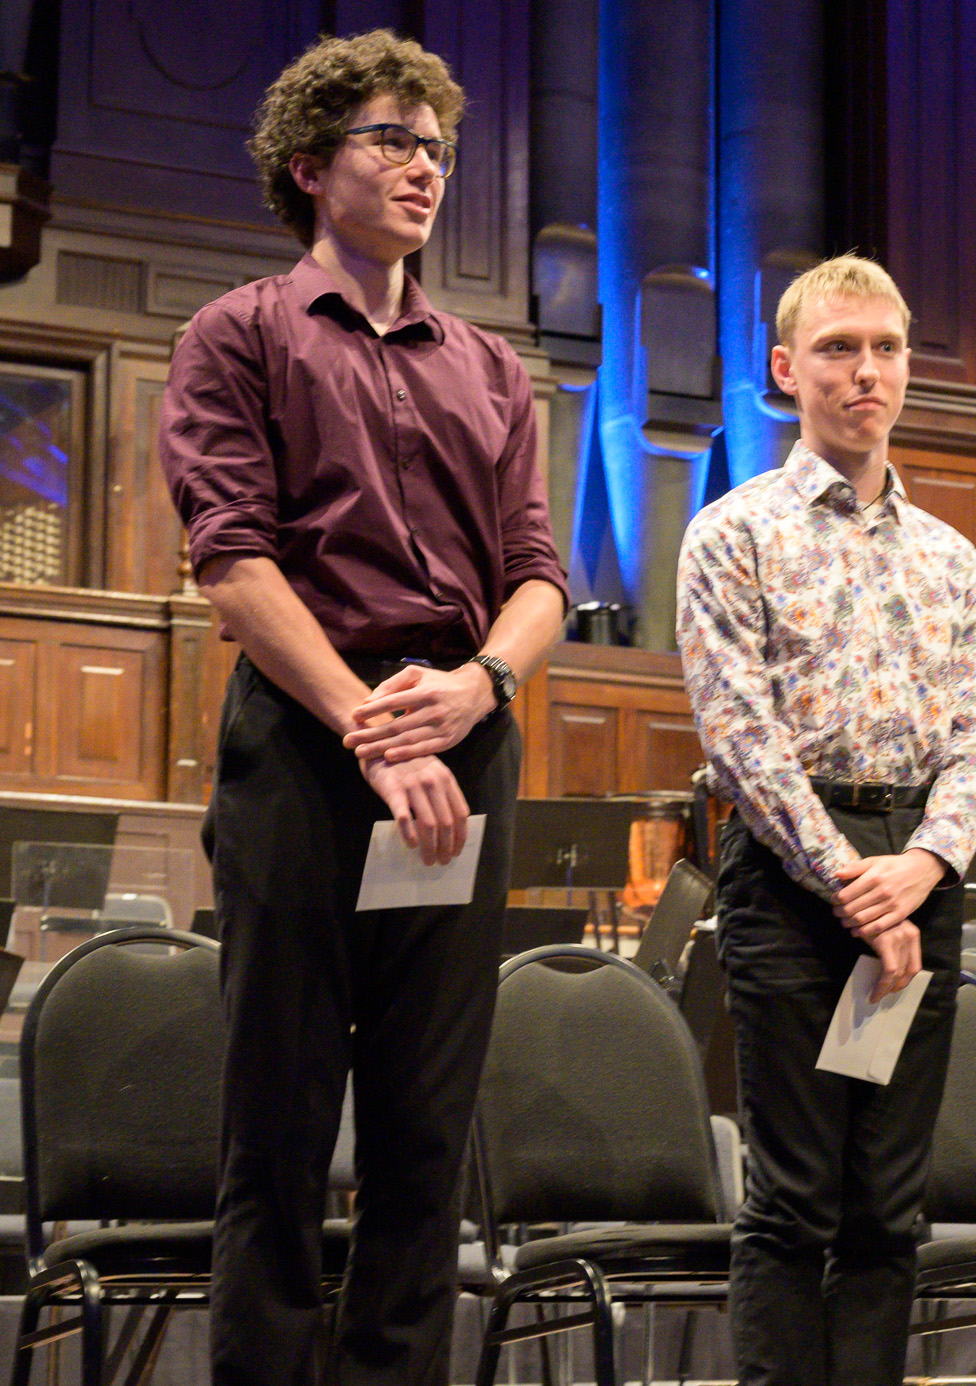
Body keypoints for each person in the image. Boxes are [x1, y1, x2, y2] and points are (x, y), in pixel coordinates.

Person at [159, 31, 567, 1385]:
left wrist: (478, 685)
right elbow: (230, 554)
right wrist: (366, 724)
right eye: (391, 139)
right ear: (308, 165)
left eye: (436, 146)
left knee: (424, 1125)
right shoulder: (241, 333)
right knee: (274, 1127)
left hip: (463, 740)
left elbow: (539, 578)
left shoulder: (494, 368)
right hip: (305, 742)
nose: (423, 167)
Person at [675, 253, 976, 1386]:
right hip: (789, 881)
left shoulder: (950, 558)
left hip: (918, 883)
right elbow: (737, 737)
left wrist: (918, 867)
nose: (866, 371)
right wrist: (849, 880)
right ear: (784, 369)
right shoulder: (733, 533)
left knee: (886, 1208)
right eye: (836, 348)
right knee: (795, 1199)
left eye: (885, 348)